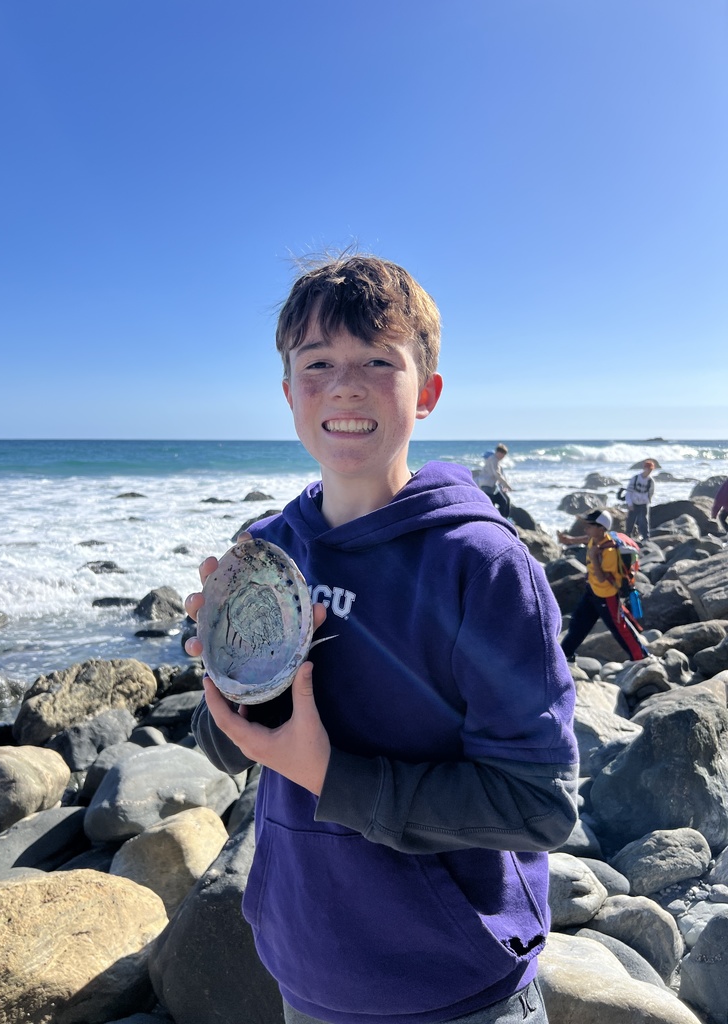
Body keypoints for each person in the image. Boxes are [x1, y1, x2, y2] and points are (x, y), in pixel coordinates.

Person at [185, 255, 578, 1024]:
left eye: (376, 360)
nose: (344, 384)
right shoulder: (266, 551)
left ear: (426, 391)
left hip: (452, 987)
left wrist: (333, 775)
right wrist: (235, 683)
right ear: (289, 393)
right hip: (306, 965)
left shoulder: (482, 565)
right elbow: (225, 745)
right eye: (318, 363)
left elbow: (538, 805)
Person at [557, 509, 648, 663]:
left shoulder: (610, 551)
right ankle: (565, 654)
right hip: (592, 591)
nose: (586, 528)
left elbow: (602, 578)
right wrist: (569, 540)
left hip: (607, 596)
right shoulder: (596, 539)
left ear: (601, 528)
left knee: (619, 628)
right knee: (579, 622)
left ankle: (641, 657)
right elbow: (586, 538)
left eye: (590, 526)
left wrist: (593, 558)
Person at [623, 460, 656, 541]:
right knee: (630, 520)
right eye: (648, 469)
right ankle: (628, 536)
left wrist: (648, 501)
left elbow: (651, 493)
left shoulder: (651, 481)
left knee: (644, 521)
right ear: (644, 468)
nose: (649, 471)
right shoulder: (635, 478)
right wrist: (629, 503)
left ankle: (645, 537)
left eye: (651, 470)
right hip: (634, 503)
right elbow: (629, 492)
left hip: (644, 504)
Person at [478, 444, 513, 518]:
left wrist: (503, 485)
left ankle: (501, 519)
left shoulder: (493, 459)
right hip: (487, 485)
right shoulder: (494, 459)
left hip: (491, 485)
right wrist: (506, 485)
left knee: (503, 501)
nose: (503, 457)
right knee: (498, 503)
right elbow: (497, 474)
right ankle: (501, 520)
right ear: (498, 452)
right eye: (503, 454)